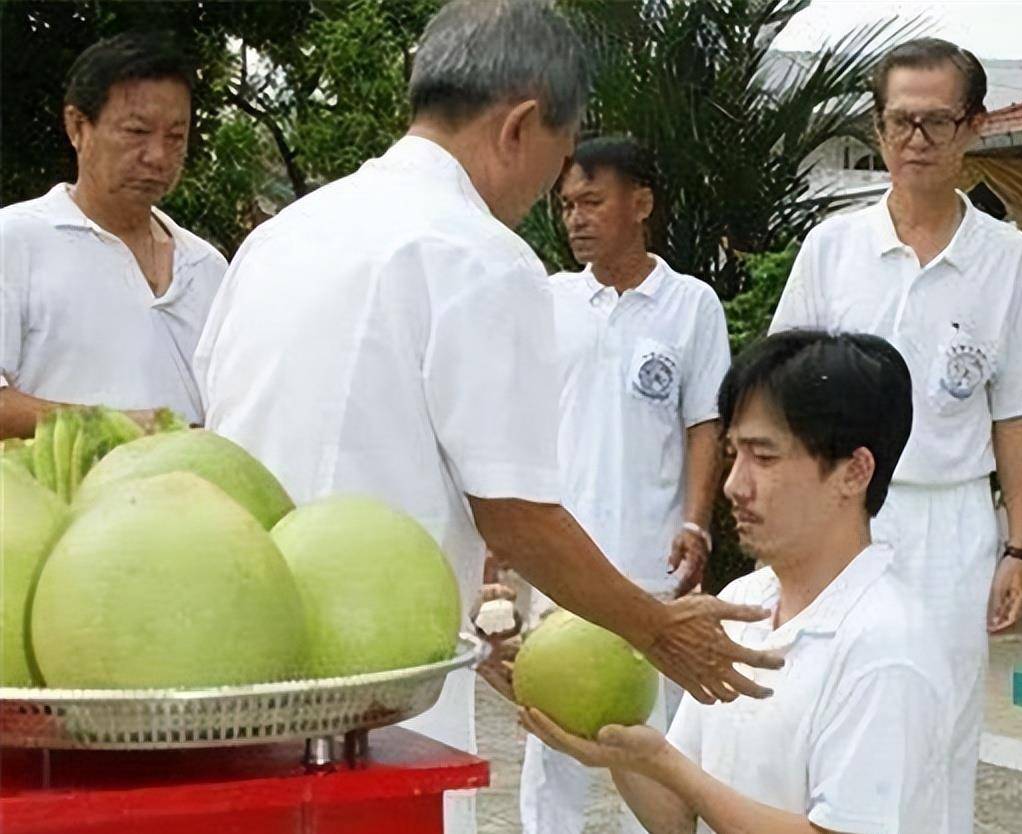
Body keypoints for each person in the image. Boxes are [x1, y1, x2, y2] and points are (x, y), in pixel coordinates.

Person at [192, 2, 779, 831]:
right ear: (522, 126)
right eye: (558, 160)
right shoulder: (479, 255)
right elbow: (516, 512)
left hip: (236, 654)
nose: (551, 195)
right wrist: (656, 627)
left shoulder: (283, 236)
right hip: (372, 678)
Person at [768, 38, 1022, 831]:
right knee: (823, 702)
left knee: (944, 721)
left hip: (954, 521)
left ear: (973, 128)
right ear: (877, 126)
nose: (917, 142)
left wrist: (1018, 548)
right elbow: (783, 388)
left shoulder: (1006, 258)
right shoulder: (834, 248)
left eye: (937, 122)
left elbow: (1018, 411)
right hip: (842, 518)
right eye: (901, 122)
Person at [522, 329, 953, 834]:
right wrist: (608, 735)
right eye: (734, 455)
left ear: (854, 472)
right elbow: (677, 817)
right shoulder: (741, 605)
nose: (734, 485)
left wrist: (665, 764)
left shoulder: (886, 647)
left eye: (764, 458)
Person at [520, 136, 730, 834]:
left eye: (592, 201)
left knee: (653, 738)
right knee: (550, 738)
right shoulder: (546, 300)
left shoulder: (691, 305)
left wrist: (696, 522)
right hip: (560, 555)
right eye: (567, 204)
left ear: (640, 203)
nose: (575, 218)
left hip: (651, 560)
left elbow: (705, 422)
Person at [0, 32, 227, 437]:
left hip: (190, 495)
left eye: (175, 137)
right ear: (77, 126)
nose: (158, 156)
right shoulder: (15, 240)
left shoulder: (208, 267)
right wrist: (123, 429)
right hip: (57, 499)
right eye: (137, 132)